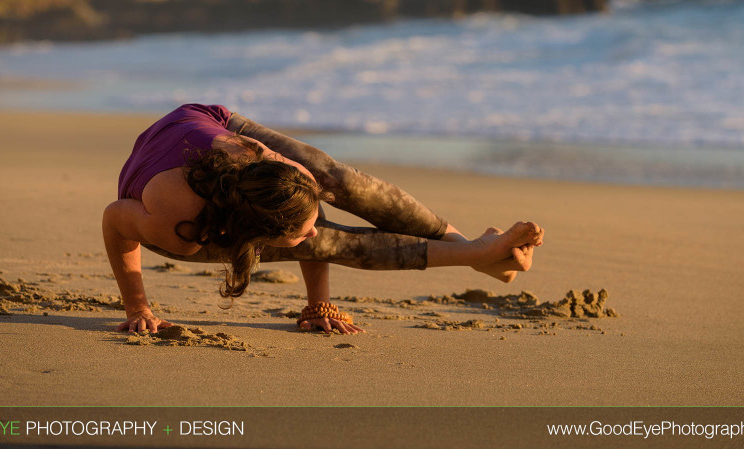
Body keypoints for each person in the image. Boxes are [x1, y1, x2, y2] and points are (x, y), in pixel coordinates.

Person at [103, 104, 544, 336]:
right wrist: (137, 307)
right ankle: (479, 253)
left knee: (335, 180)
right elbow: (113, 222)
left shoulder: (265, 162)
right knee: (328, 242)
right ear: (261, 236)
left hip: (206, 121)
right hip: (173, 209)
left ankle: (473, 249)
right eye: (299, 228)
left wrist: (317, 304)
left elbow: (304, 209)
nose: (316, 225)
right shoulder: (177, 226)